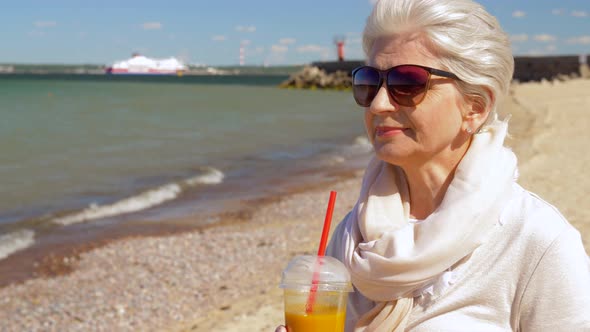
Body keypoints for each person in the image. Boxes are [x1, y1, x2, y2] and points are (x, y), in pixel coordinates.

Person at [276, 0, 590, 330]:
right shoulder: (352, 236)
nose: (379, 104)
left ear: (475, 107)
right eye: (369, 81)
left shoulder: (534, 240)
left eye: (408, 83)